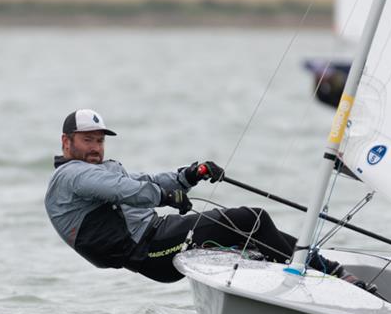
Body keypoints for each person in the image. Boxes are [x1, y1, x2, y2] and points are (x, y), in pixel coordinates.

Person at [45, 109, 373, 288]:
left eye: (100, 142)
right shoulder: (70, 176)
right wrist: (166, 196)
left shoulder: (98, 170)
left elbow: (142, 180)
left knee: (251, 233)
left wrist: (190, 175)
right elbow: (126, 191)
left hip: (162, 233)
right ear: (66, 142)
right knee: (250, 219)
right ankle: (325, 275)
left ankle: (321, 271)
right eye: (88, 140)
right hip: (150, 251)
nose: (95, 149)